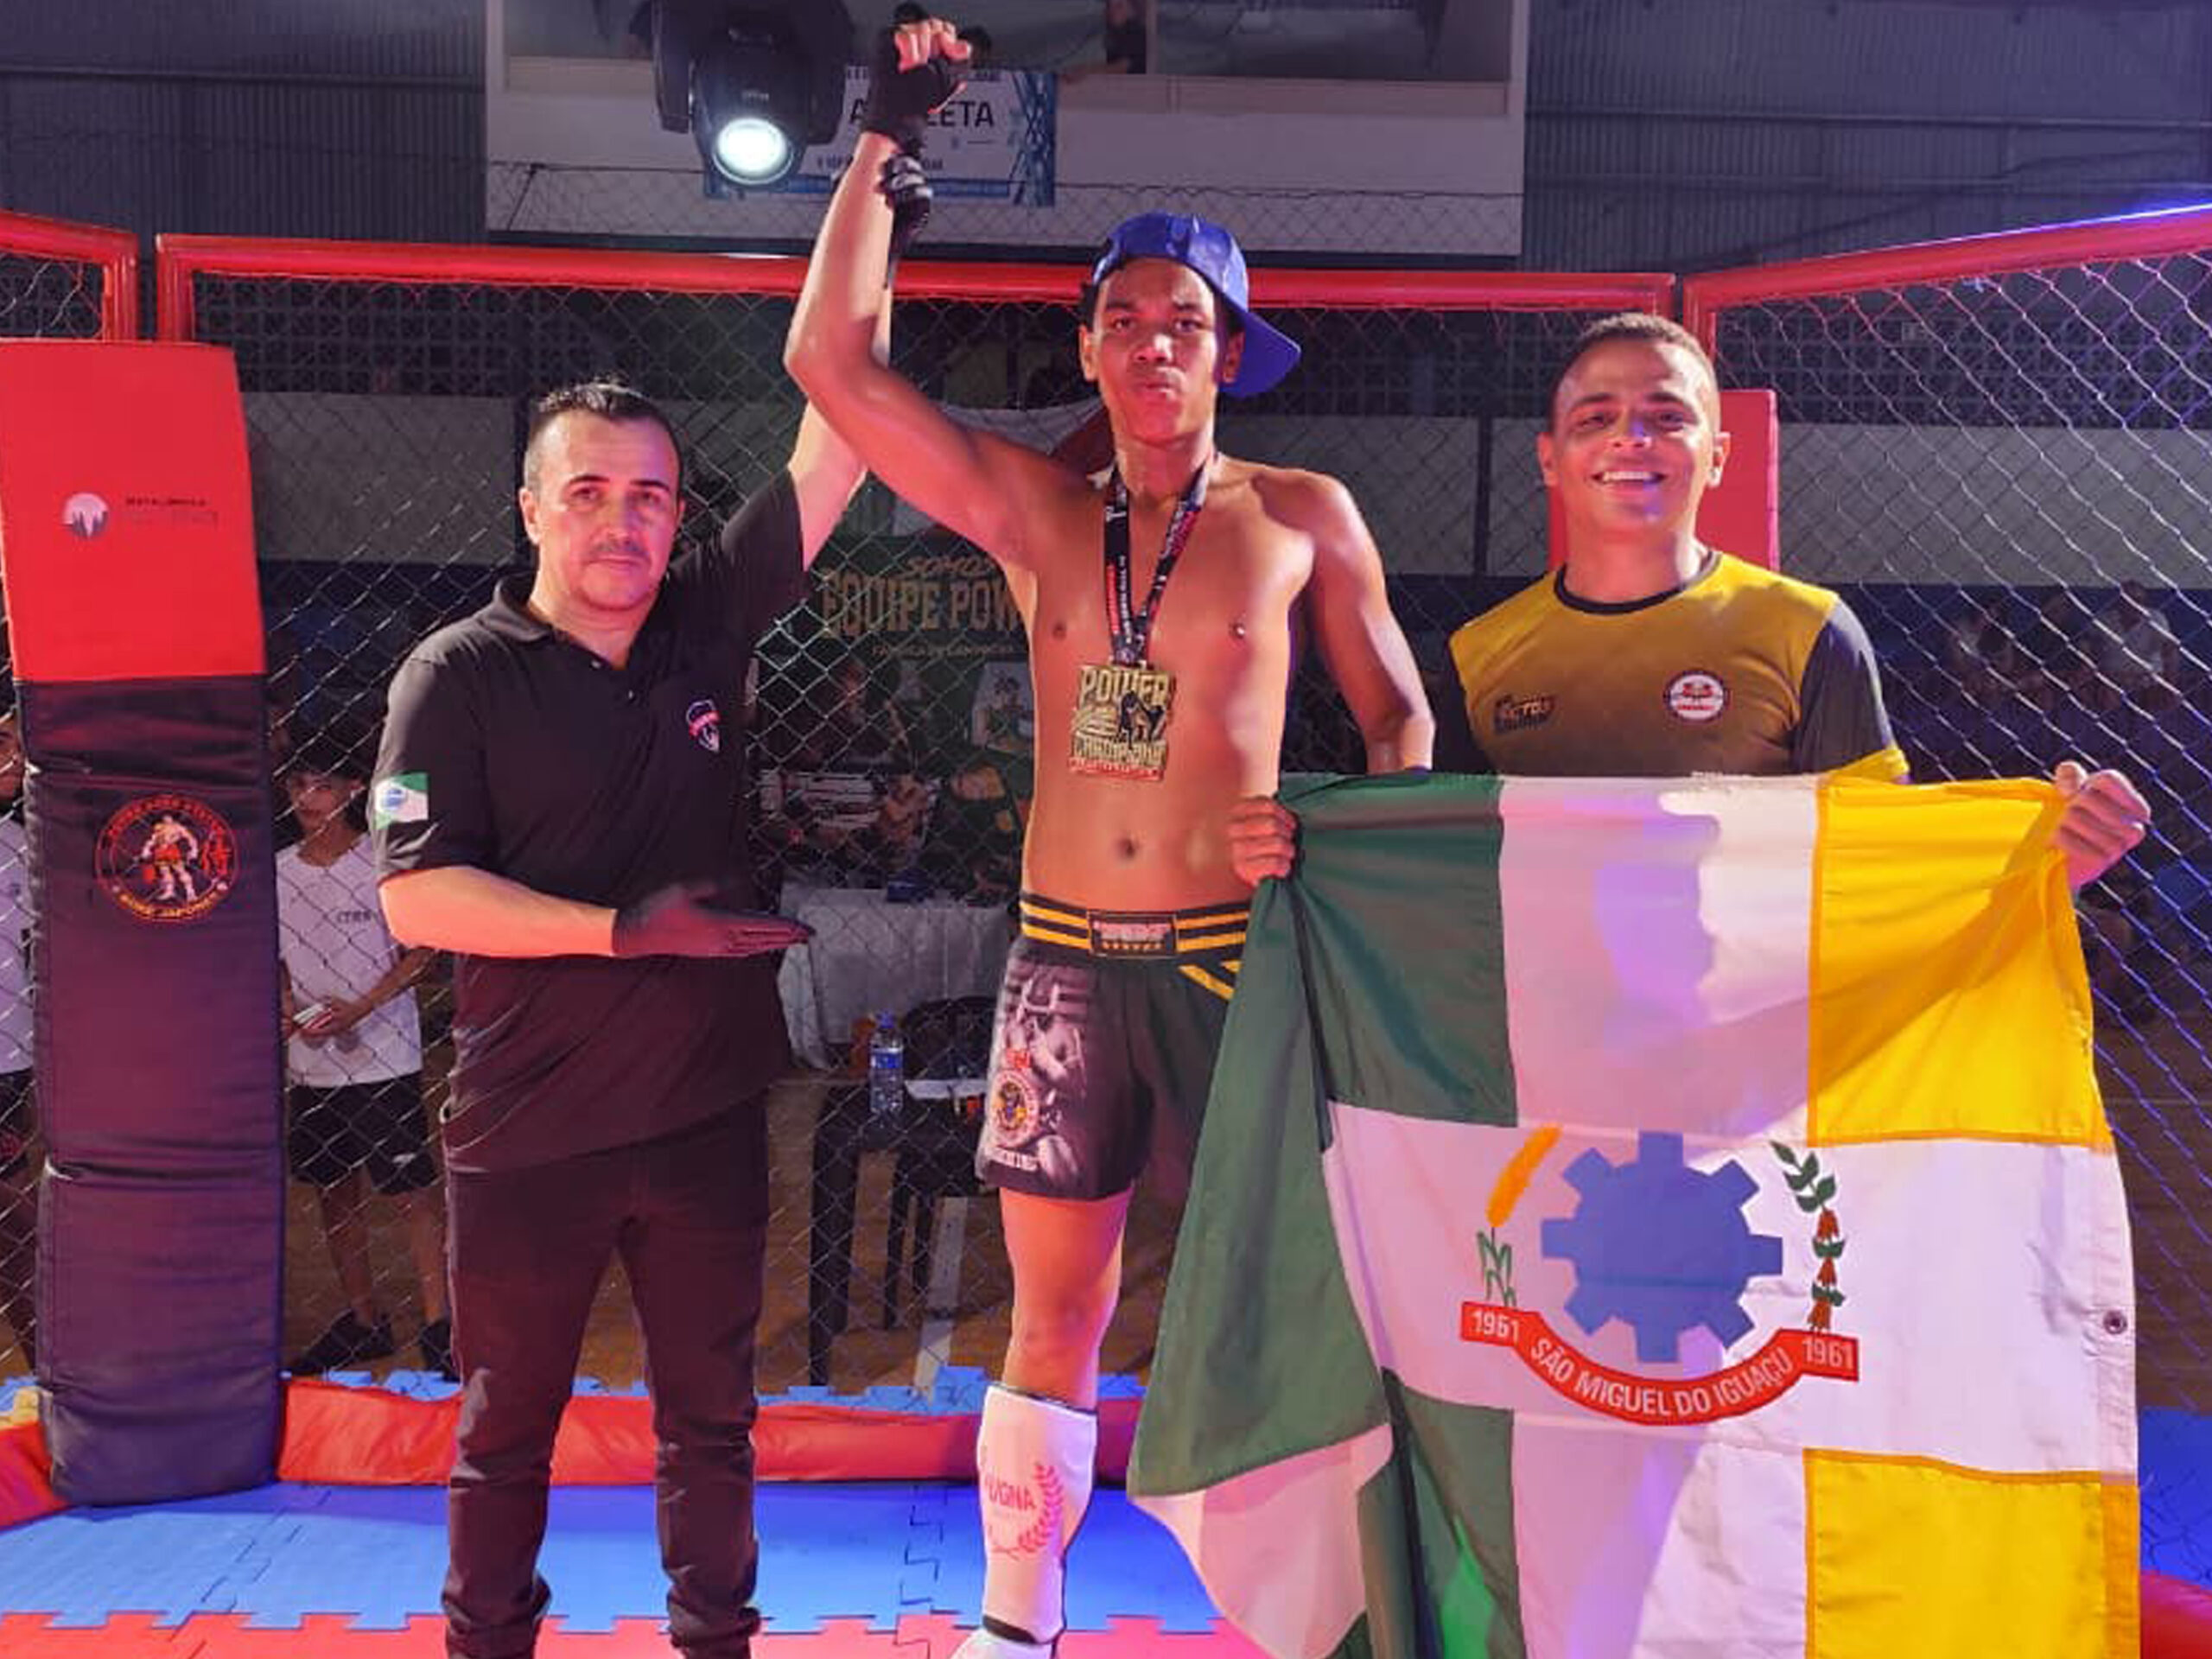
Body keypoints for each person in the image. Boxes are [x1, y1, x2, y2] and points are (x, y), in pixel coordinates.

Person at [784, 22, 1433, 1657]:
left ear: (1232, 354)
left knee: (1301, 1294)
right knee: (1053, 1309)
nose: (1156, 345)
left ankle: (1340, 1611)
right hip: (1065, 965)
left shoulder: (1302, 516)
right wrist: (880, 144)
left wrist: (1339, 848)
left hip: (1238, 965)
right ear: (1087, 346)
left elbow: (1400, 725)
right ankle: (1017, 1622)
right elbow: (832, 369)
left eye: (1187, 323)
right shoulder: (1041, 515)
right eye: (1127, 320)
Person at [372, 378, 867, 1659]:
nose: (621, 520)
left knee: (713, 1421)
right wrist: (619, 930)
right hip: (529, 1125)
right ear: (532, 508)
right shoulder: (455, 676)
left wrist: (868, 251)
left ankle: (716, 1641)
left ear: (678, 515)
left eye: (649, 495)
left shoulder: (702, 624)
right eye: (588, 491)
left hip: (704, 1115)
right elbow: (417, 897)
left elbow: (839, 443)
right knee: (504, 1428)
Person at [1230, 312, 2149, 895]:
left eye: (1667, 416)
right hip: (1546, 1058)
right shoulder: (1482, 652)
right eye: (1595, 417)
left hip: (1749, 1061)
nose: (1630, 437)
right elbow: (1445, 881)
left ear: (1717, 455)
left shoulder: (1807, 630)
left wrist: (2046, 865)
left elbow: (1876, 871)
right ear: (1550, 459)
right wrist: (1298, 848)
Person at [276, 723, 448, 1379]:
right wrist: (288, 1009)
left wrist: (364, 1005)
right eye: (298, 784)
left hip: (384, 1055)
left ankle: (440, 1323)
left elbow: (424, 949)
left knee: (411, 1192)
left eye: (322, 785)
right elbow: (276, 959)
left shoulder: (380, 862)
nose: (307, 798)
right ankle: (363, 1318)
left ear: (354, 789)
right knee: (333, 1189)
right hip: (312, 1060)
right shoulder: (279, 871)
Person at [0, 711, 37, 1373]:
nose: (15, 758)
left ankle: (48, 1370)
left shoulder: (20, 841)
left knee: (18, 1234)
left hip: (12, 1054)